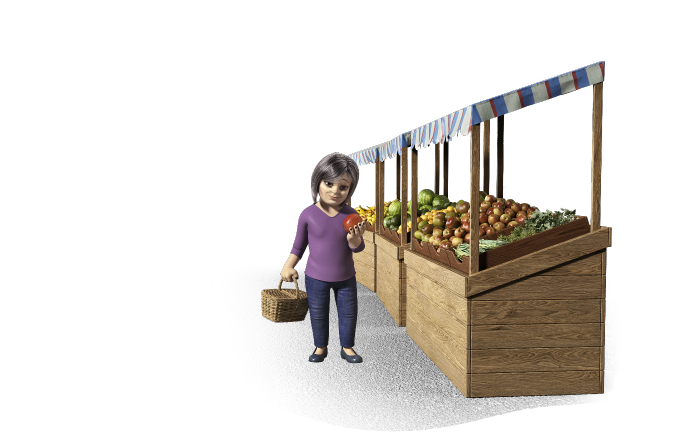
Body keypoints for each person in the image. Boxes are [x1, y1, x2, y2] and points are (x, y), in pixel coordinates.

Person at [280, 152, 367, 363]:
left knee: (348, 314)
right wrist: (288, 266)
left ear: (350, 189)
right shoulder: (307, 215)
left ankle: (347, 348)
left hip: (346, 277)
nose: (335, 191)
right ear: (317, 182)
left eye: (343, 186)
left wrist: (354, 239)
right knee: (318, 314)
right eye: (329, 183)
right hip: (314, 277)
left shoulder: (352, 215)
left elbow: (358, 248)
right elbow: (299, 246)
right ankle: (320, 347)